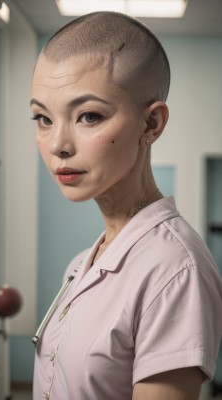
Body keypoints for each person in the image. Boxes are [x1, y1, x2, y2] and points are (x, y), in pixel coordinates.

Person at [31, 11, 222, 400]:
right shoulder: (81, 263)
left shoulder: (174, 270)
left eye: (89, 116)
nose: (57, 145)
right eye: (42, 118)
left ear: (151, 124)